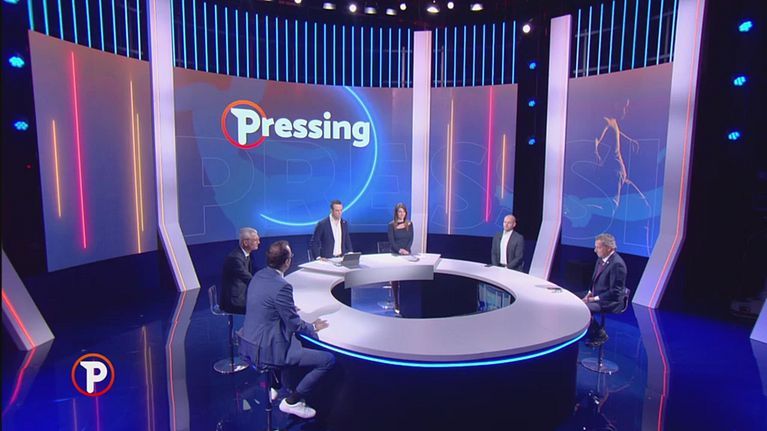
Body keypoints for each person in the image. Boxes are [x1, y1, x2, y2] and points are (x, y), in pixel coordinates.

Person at [239, 240, 335, 419]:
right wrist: (313, 326)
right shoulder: (282, 286)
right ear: (287, 261)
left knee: (293, 340)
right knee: (327, 360)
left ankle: (275, 385)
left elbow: (266, 305)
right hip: (267, 351)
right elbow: (294, 324)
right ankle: (293, 401)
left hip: (248, 343)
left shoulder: (259, 275)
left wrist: (287, 309)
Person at [582, 233, 627, 346]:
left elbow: (615, 292)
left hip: (610, 301)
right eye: (595, 247)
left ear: (609, 248)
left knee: (582, 308)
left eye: (598, 247)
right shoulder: (601, 259)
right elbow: (594, 280)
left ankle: (599, 334)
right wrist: (589, 294)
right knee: (572, 298)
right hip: (597, 294)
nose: (595, 250)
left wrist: (592, 299)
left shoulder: (617, 264)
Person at [221, 227, 260, 314]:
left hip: (243, 295)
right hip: (234, 302)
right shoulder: (235, 258)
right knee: (264, 307)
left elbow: (256, 271)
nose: (259, 242)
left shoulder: (247, 254)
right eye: (255, 240)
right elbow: (248, 278)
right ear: (245, 242)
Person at [386, 203, 414, 314]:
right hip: (395, 254)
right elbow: (391, 241)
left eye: (403, 212)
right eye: (400, 211)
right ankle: (396, 303)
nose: (402, 214)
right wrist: (399, 250)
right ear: (396, 213)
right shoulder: (391, 225)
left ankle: (406, 303)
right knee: (396, 279)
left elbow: (411, 238)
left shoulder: (410, 224)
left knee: (406, 279)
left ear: (406, 213)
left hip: (407, 254)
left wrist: (406, 250)